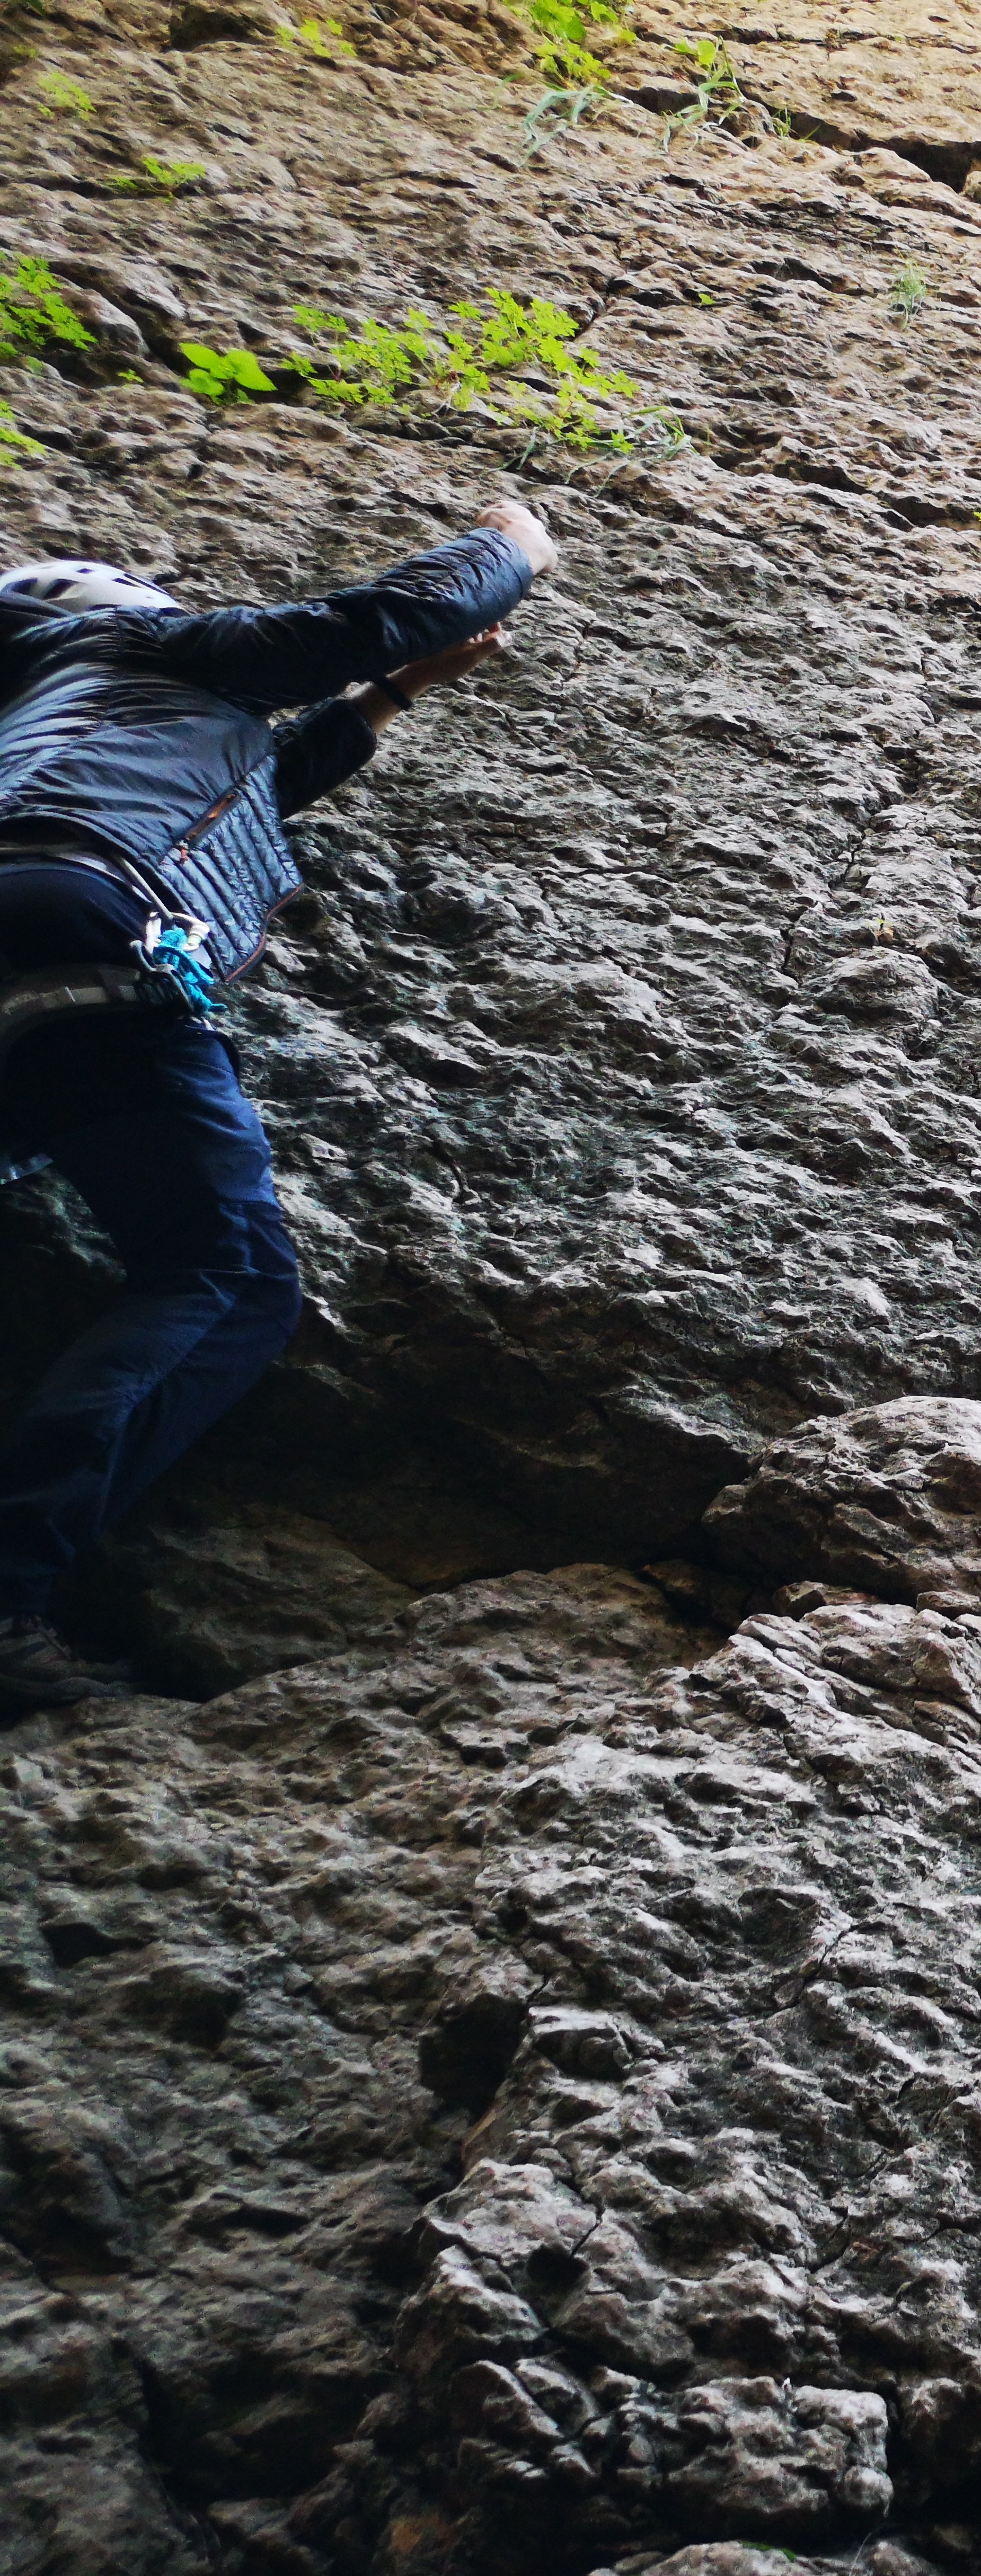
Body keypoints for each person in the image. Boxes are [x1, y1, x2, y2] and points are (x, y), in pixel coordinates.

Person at [0, 500, 552, 1712]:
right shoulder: (145, 650)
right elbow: (376, 615)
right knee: (229, 1274)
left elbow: (253, 779)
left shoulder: (48, 723)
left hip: (37, 934)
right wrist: (513, 546)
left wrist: (394, 695)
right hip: (85, 920)